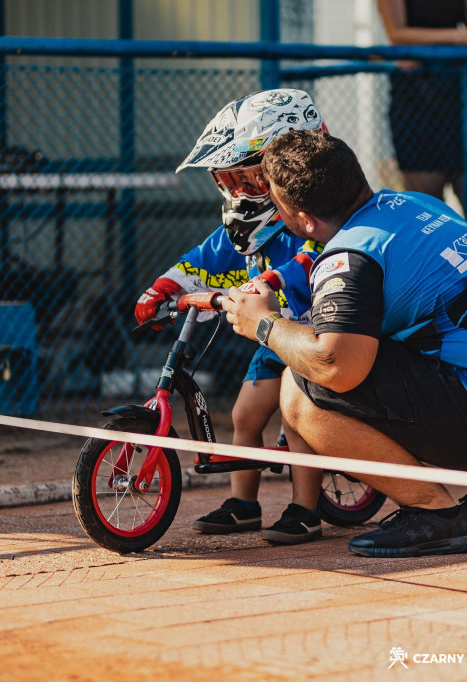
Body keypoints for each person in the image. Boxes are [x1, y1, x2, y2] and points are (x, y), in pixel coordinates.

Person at [222, 129, 467, 558]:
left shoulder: (348, 258)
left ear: (302, 220)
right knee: (419, 341)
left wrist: (263, 323)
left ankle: (434, 514)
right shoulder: (416, 204)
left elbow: (335, 367)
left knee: (302, 389)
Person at [134, 89, 327, 546]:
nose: (240, 192)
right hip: (271, 339)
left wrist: (276, 281)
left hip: (314, 339)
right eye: (230, 181)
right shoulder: (241, 227)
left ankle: (306, 510)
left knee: (298, 420)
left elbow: (313, 256)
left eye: (253, 180)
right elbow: (201, 260)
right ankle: (244, 504)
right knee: (244, 416)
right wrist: (163, 287)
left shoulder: (310, 216)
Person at [377, 0, 467, 203]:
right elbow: (397, 35)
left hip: (458, 96)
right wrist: (461, 38)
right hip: (417, 99)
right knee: (427, 208)